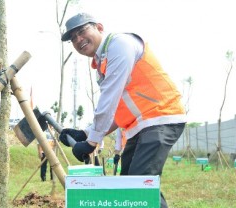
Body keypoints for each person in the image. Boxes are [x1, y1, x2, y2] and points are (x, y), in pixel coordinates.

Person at [58, 13, 186, 207]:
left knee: (138, 187)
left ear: (99, 27)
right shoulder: (102, 62)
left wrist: (92, 141)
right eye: (73, 38)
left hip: (160, 118)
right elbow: (117, 110)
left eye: (82, 31)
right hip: (141, 126)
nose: (78, 40)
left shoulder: (119, 45)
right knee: (129, 186)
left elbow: (108, 100)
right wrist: (84, 133)